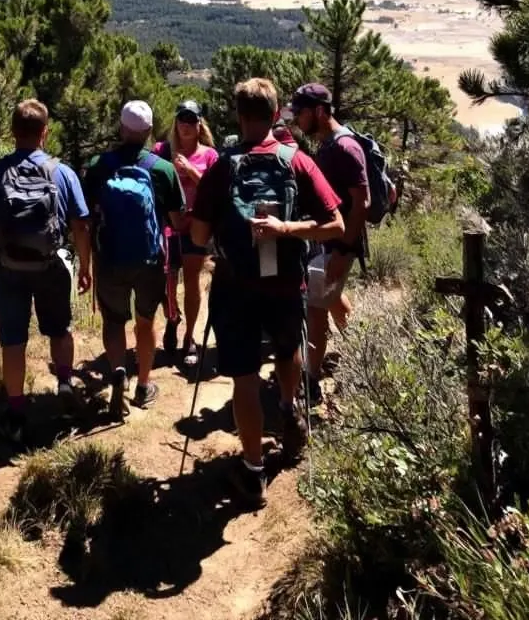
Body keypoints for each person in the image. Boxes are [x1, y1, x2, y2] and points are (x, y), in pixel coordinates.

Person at [192, 78, 343, 506]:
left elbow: (199, 236)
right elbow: (336, 225)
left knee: (244, 378)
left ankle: (253, 470)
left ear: (239, 116)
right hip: (286, 284)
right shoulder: (297, 162)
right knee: (286, 349)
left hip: (235, 286)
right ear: (276, 114)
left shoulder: (223, 167)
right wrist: (287, 229)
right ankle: (289, 408)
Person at [0, 99, 92, 445]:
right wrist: (85, 266)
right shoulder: (62, 172)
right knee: (60, 329)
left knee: (13, 342)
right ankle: (64, 383)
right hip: (51, 266)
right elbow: (81, 224)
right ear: (44, 132)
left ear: (13, 132)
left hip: (7, 269)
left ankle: (17, 414)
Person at [84, 100, 186, 418]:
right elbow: (177, 222)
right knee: (146, 321)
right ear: (149, 131)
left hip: (110, 258)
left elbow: (84, 216)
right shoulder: (163, 169)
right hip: (150, 260)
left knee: (114, 322)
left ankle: (118, 370)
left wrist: (86, 260)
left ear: (121, 128)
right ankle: (143, 385)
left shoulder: (99, 165)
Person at [288, 83, 370, 406]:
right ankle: (363, 356)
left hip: (338, 245)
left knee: (315, 309)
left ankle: (311, 381)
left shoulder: (345, 148)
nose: (297, 118)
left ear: (320, 111)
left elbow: (361, 203)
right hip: (329, 243)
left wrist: (344, 251)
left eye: (301, 112)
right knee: (331, 301)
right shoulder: (328, 145)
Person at [155, 99, 218, 368]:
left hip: (196, 227)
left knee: (191, 282)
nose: (186, 125)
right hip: (167, 226)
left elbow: (215, 190)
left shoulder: (210, 155)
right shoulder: (161, 151)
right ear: (176, 122)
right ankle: (172, 318)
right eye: (182, 119)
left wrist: (191, 171)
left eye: (192, 120)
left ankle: (189, 337)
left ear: (200, 124)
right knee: (165, 281)